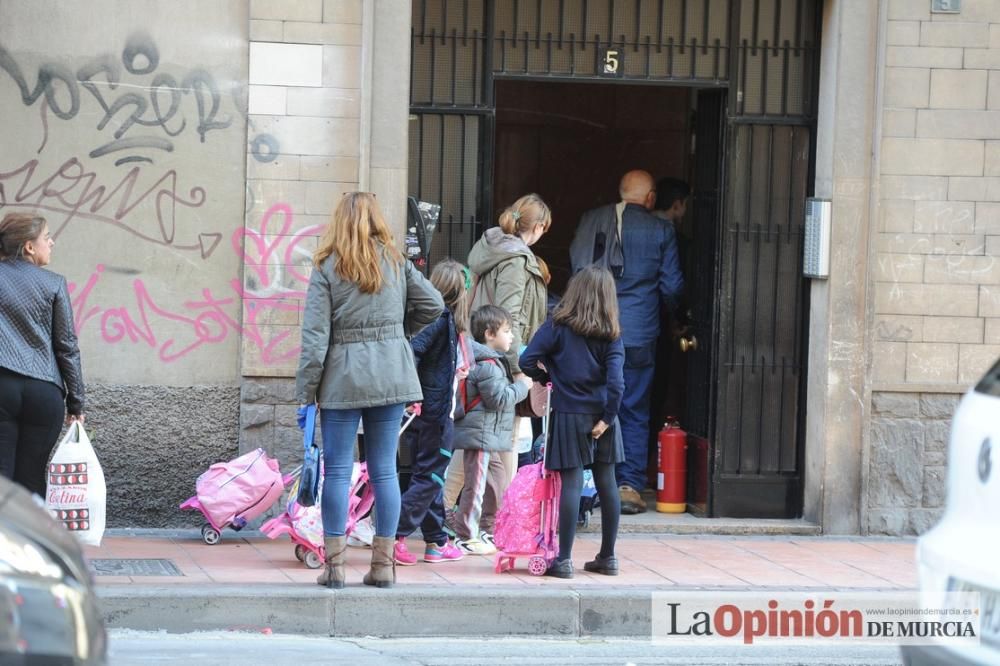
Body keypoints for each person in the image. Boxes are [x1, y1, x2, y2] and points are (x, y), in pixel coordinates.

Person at [296, 192, 444, 589]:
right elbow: (433, 304)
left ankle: (335, 568)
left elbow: (314, 339)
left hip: (342, 378)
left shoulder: (327, 266)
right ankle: (382, 568)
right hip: (391, 375)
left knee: (339, 472)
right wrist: (398, 336)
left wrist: (307, 391)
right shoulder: (397, 263)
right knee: (384, 472)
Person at [569, 170, 685, 514]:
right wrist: (678, 315)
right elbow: (672, 286)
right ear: (650, 199)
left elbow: (577, 268)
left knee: (589, 404)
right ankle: (629, 486)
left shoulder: (592, 219)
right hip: (638, 332)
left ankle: (586, 482)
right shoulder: (661, 229)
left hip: (592, 328)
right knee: (633, 407)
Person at [519, 266, 625, 579]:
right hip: (603, 414)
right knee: (607, 482)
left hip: (568, 413)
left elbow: (526, 360)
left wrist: (548, 377)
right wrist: (607, 419)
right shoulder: (613, 334)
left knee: (571, 483)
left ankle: (563, 560)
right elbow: (618, 383)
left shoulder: (557, 326)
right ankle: (607, 557)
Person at [467, 194, 551, 493]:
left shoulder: (491, 248)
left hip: (480, 353)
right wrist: (519, 369)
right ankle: (499, 518)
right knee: (506, 445)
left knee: (480, 443)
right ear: (539, 226)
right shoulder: (516, 260)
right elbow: (509, 318)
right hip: (503, 361)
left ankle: (471, 515)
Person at [0, 212, 85, 496]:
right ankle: (28, 540)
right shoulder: (54, 283)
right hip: (43, 392)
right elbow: (67, 346)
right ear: (29, 247)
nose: (52, 242)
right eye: (47, 237)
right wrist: (76, 404)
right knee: (32, 479)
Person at [394, 259, 470, 567]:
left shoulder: (437, 317)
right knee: (429, 476)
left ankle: (436, 542)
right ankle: (393, 535)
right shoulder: (440, 318)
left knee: (430, 476)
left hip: (428, 408)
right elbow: (414, 352)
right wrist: (415, 394)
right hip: (434, 412)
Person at [451, 305, 530, 555]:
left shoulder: (492, 362)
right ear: (489, 334)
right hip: (481, 435)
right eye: (507, 331)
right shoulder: (486, 364)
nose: (512, 337)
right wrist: (522, 387)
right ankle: (465, 534)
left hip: (491, 436)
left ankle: (488, 528)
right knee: (476, 486)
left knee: (496, 484)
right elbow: (497, 399)